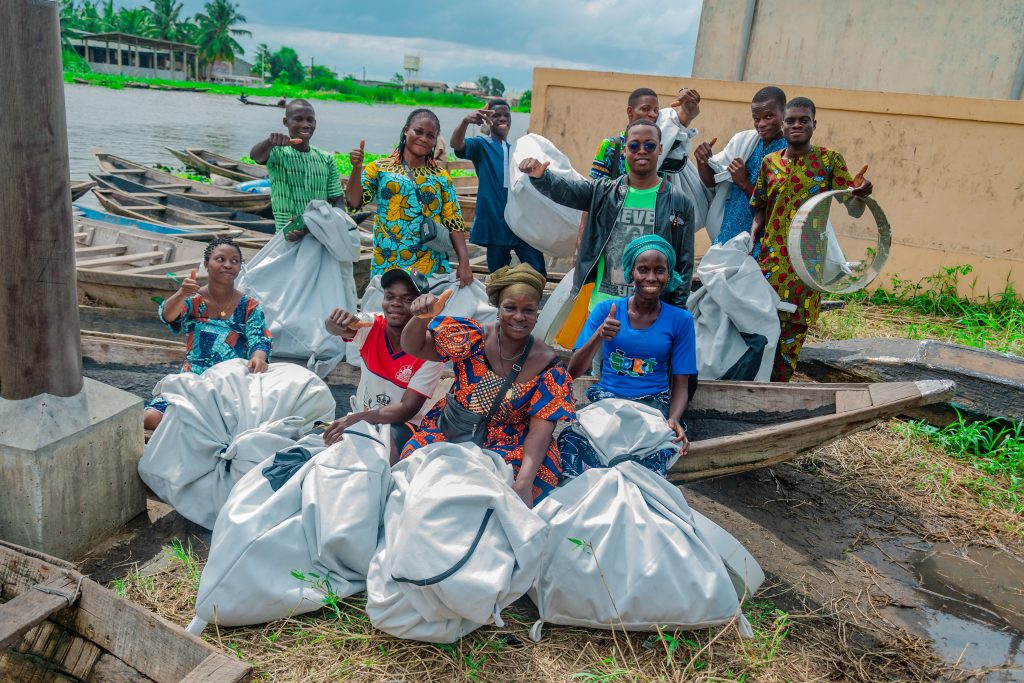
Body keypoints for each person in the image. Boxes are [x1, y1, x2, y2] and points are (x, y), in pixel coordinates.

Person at [399, 264, 575, 508]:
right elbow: (414, 346)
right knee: (418, 475)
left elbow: (540, 431)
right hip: (453, 430)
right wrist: (421, 319)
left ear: (537, 314)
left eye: (528, 310)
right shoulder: (473, 338)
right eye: (510, 308)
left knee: (507, 495)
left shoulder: (549, 366)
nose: (519, 317)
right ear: (498, 309)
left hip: (510, 444)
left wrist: (524, 483)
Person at [750, 97, 873, 381]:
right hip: (770, 265)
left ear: (814, 124)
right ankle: (754, 387)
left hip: (806, 267)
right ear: (783, 126)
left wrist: (862, 193)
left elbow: (852, 208)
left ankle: (778, 390)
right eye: (791, 120)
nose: (797, 125)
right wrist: (752, 240)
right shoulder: (770, 163)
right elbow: (760, 207)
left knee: (792, 337)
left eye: (804, 120)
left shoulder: (829, 161)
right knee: (762, 330)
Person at [520, 119, 696, 312]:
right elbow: (567, 191)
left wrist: (677, 310)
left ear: (660, 149)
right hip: (602, 307)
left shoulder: (679, 202)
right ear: (625, 150)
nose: (642, 150)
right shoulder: (603, 192)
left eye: (649, 145)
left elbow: (684, 263)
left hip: (652, 310)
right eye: (634, 145)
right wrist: (542, 178)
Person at [560, 235, 694, 477]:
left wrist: (674, 418)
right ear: (631, 272)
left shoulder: (680, 320)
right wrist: (599, 335)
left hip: (652, 406)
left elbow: (681, 383)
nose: (651, 277)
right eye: (643, 269)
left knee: (642, 461)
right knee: (572, 444)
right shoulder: (606, 310)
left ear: (668, 275)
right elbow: (573, 372)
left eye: (659, 270)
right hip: (608, 402)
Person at [142, 238, 272, 430]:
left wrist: (258, 358)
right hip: (193, 377)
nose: (228, 265)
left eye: (235, 261)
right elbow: (168, 316)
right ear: (206, 265)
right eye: (220, 259)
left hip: (232, 381)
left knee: (230, 426)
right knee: (150, 418)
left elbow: (259, 340)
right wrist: (181, 293)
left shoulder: (249, 306)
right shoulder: (192, 300)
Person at [321, 267, 445, 462]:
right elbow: (337, 327)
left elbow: (407, 409)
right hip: (365, 417)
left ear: (421, 305)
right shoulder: (371, 325)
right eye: (389, 296)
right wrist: (334, 321)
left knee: (385, 450)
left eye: (407, 299)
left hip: (404, 425)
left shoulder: (430, 349)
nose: (395, 303)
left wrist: (354, 420)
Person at [346, 108, 474, 285]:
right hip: (389, 261)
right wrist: (357, 168)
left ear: (435, 140)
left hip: (430, 263)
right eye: (418, 131)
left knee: (428, 303)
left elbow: (454, 221)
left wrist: (464, 262)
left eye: (430, 135)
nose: (423, 138)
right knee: (389, 301)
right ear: (406, 130)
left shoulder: (440, 176)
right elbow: (354, 202)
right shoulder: (380, 168)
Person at [450, 99, 547, 277]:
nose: (503, 118)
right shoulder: (481, 145)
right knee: (498, 275)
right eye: (497, 115)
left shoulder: (516, 151)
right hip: (495, 223)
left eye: (506, 115)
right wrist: (465, 121)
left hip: (519, 224)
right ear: (488, 120)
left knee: (538, 271)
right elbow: (456, 144)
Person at [694, 86, 788, 245]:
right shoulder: (744, 141)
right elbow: (712, 182)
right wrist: (703, 161)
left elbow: (779, 208)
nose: (761, 124)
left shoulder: (790, 153)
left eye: (768, 116)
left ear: (784, 113)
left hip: (761, 243)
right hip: (726, 236)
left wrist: (744, 182)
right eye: (756, 119)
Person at [249, 99, 343, 242]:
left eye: (310, 120)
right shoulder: (277, 153)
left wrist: (324, 224)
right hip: (285, 237)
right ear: (286, 122)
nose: (305, 125)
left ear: (315, 123)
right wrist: (269, 142)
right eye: (298, 119)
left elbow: (338, 202)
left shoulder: (326, 159)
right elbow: (256, 156)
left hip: (319, 237)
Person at [590, 86, 701, 180]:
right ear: (630, 111)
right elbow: (597, 190)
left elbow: (680, 120)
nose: (653, 114)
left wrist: (687, 96)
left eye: (656, 110)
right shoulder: (610, 146)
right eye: (645, 109)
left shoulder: (661, 144)